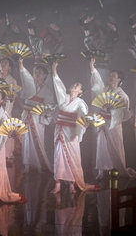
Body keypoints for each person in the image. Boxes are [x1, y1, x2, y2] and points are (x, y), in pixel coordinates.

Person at [51, 60, 99, 194]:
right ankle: (58, 183)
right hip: (60, 131)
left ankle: (73, 183)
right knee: (58, 156)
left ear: (80, 92)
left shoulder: (80, 103)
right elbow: (56, 110)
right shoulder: (63, 98)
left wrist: (86, 120)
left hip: (71, 132)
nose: (75, 85)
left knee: (73, 158)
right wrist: (54, 71)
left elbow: (83, 116)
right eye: (74, 84)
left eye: (78, 86)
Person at [90, 57, 136, 180]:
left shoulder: (122, 95)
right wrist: (93, 69)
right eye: (110, 75)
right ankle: (101, 170)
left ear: (119, 79)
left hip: (113, 124)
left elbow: (126, 114)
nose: (111, 78)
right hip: (102, 122)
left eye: (113, 76)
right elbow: (97, 84)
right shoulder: (105, 90)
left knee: (115, 146)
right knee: (101, 145)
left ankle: (114, 169)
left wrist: (113, 112)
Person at [18, 57, 55, 174]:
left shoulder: (47, 91)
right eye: (35, 73)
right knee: (26, 141)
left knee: (37, 141)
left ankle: (39, 165)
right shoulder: (29, 87)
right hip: (26, 116)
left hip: (37, 118)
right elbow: (21, 99)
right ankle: (27, 165)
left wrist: (42, 112)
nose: (37, 75)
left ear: (45, 75)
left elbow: (49, 107)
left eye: (40, 73)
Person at [0, 49, 20, 165]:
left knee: (6, 130)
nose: (2, 64)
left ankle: (7, 156)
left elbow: (13, 96)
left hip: (6, 108)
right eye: (2, 63)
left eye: (5, 63)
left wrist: (8, 99)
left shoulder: (12, 80)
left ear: (10, 67)